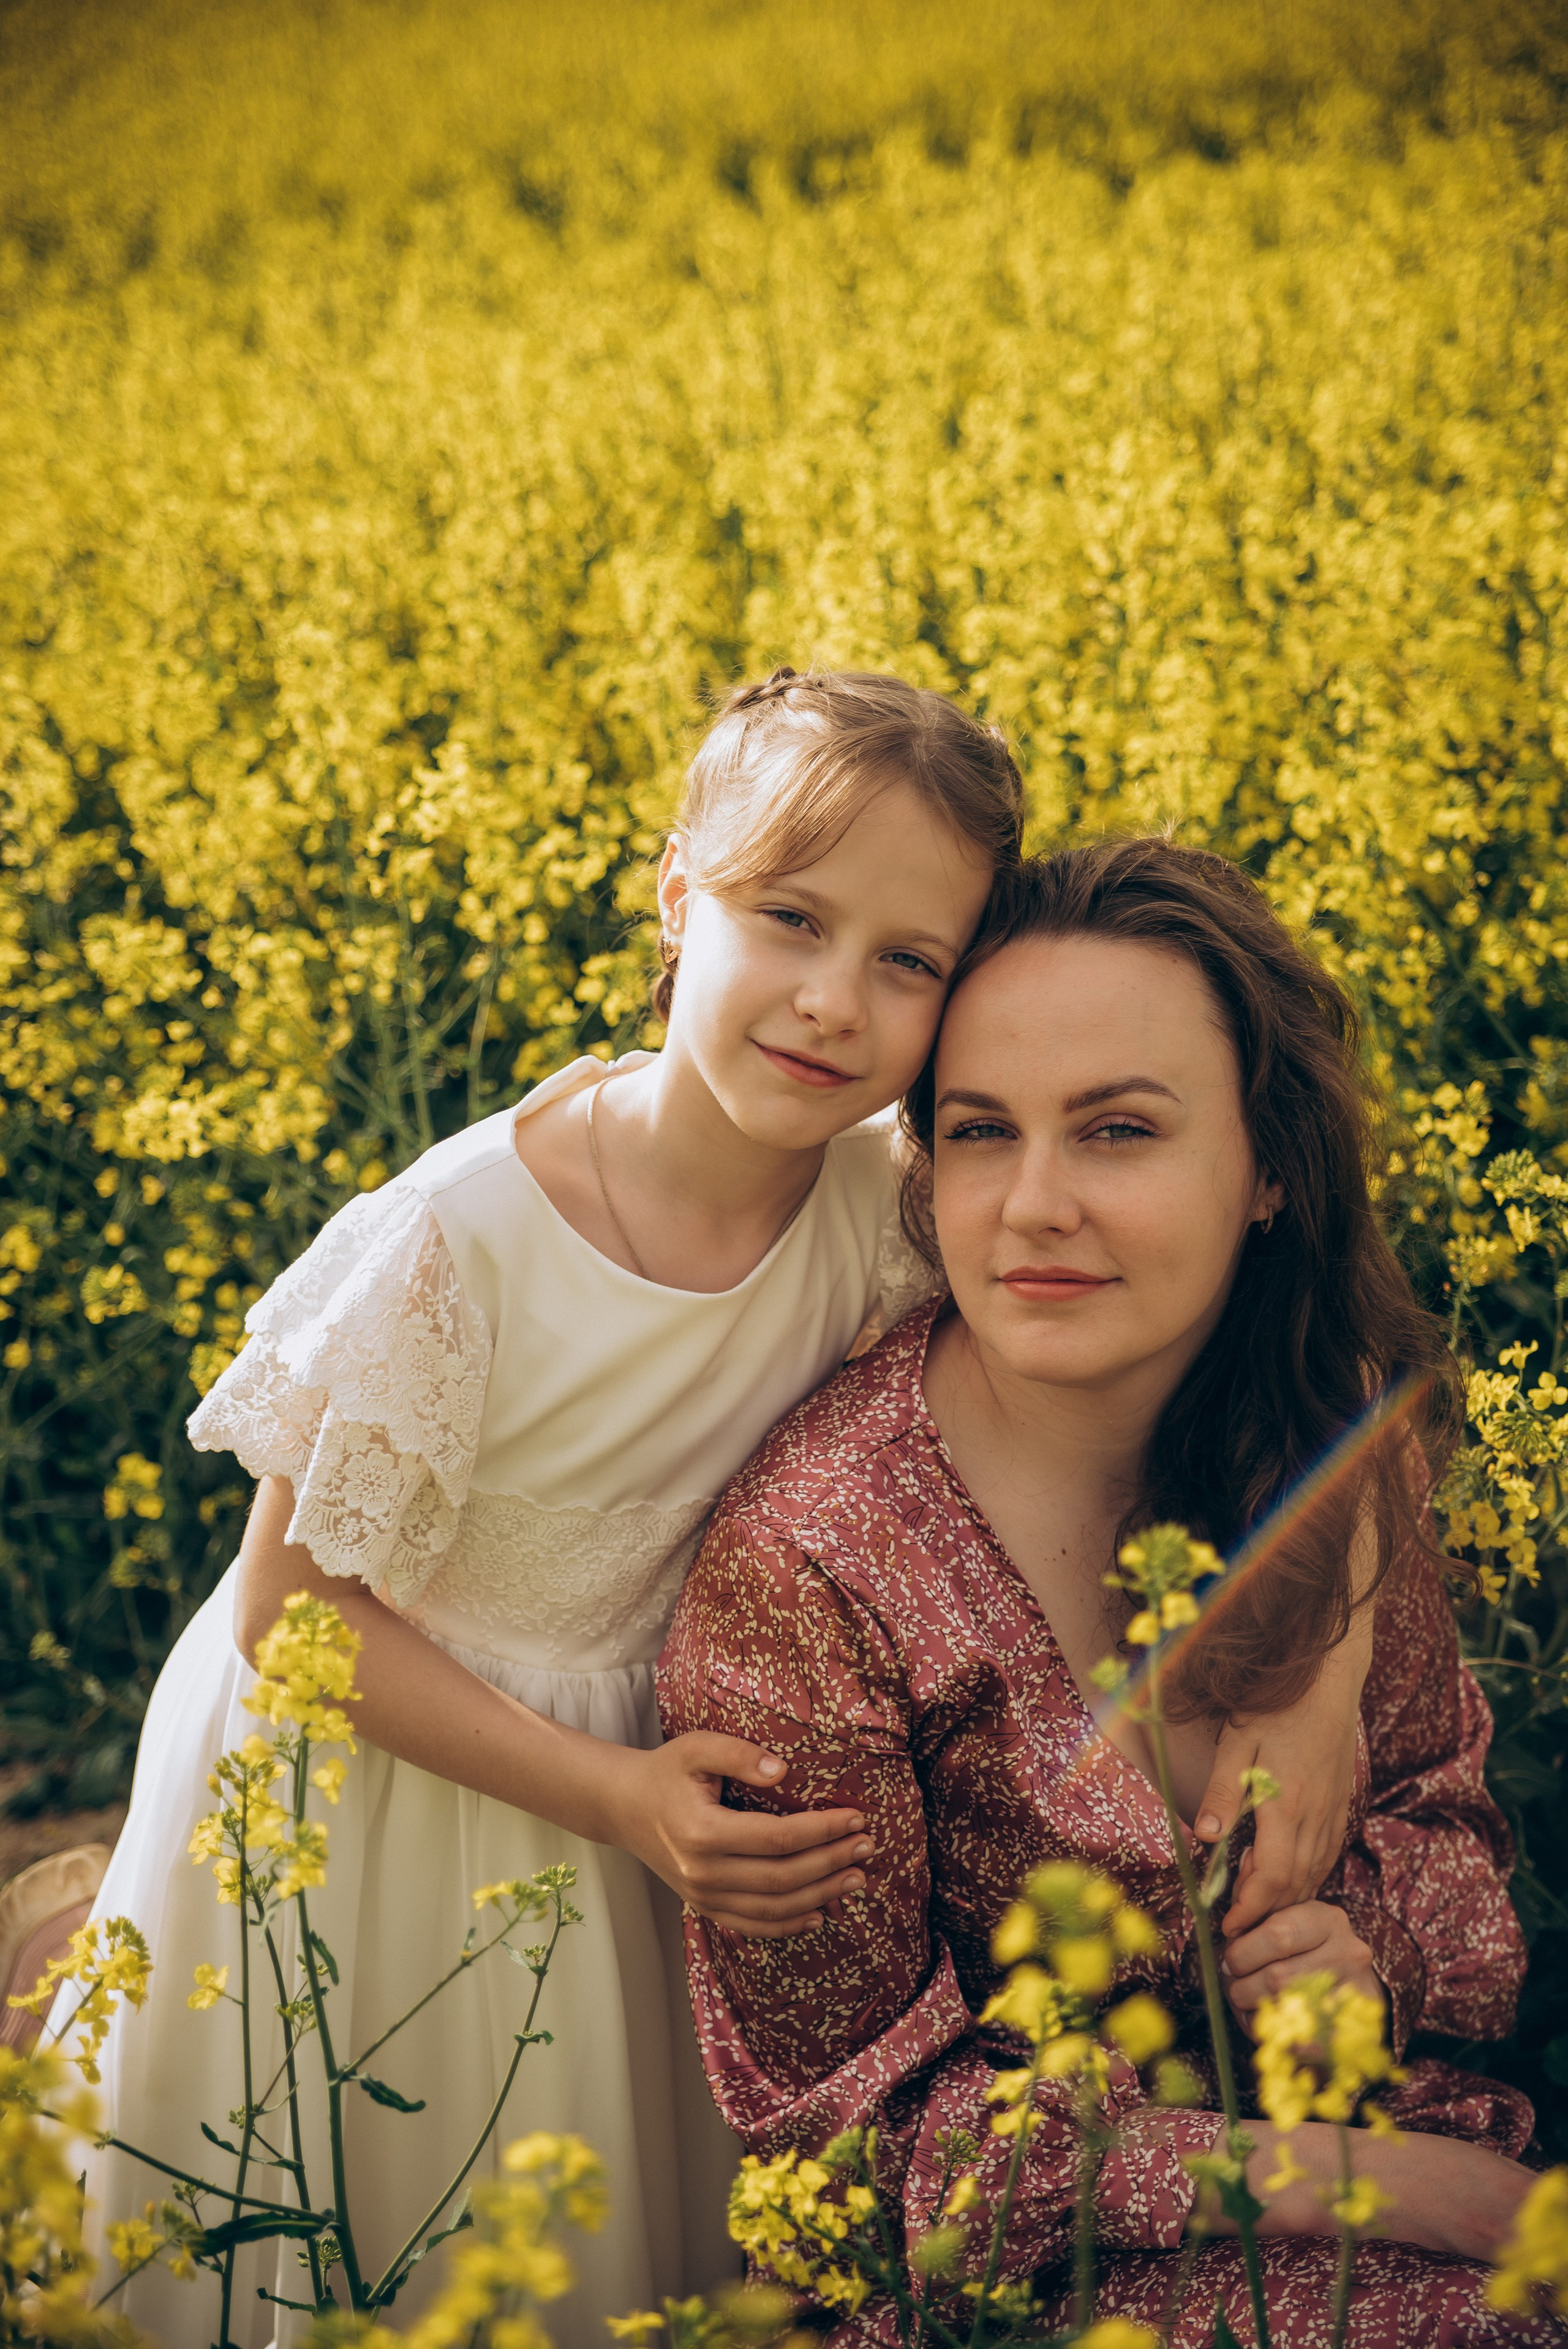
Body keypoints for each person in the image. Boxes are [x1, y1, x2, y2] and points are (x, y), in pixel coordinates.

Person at [69, 689, 1361, 2349]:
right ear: (680, 901)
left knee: (630, 2237)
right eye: (790, 920)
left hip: (689, 1749)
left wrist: (1320, 1669)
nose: (836, 1001)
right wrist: (612, 1795)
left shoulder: (898, 1188)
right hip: (404, 1780)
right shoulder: (463, 1238)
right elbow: (287, 1619)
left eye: (912, 962)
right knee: (390, 2194)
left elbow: (1290, 1366)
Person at [660, 838, 1555, 2348]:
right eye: (980, 1131)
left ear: (1268, 1169)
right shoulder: (808, 1573)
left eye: (1118, 1131)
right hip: (1024, 2291)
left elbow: (1455, 1850)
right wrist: (1384, 2187)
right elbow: (854, 2164)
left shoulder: (1317, 1454)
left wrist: (1369, 1946)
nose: (1032, 1207)